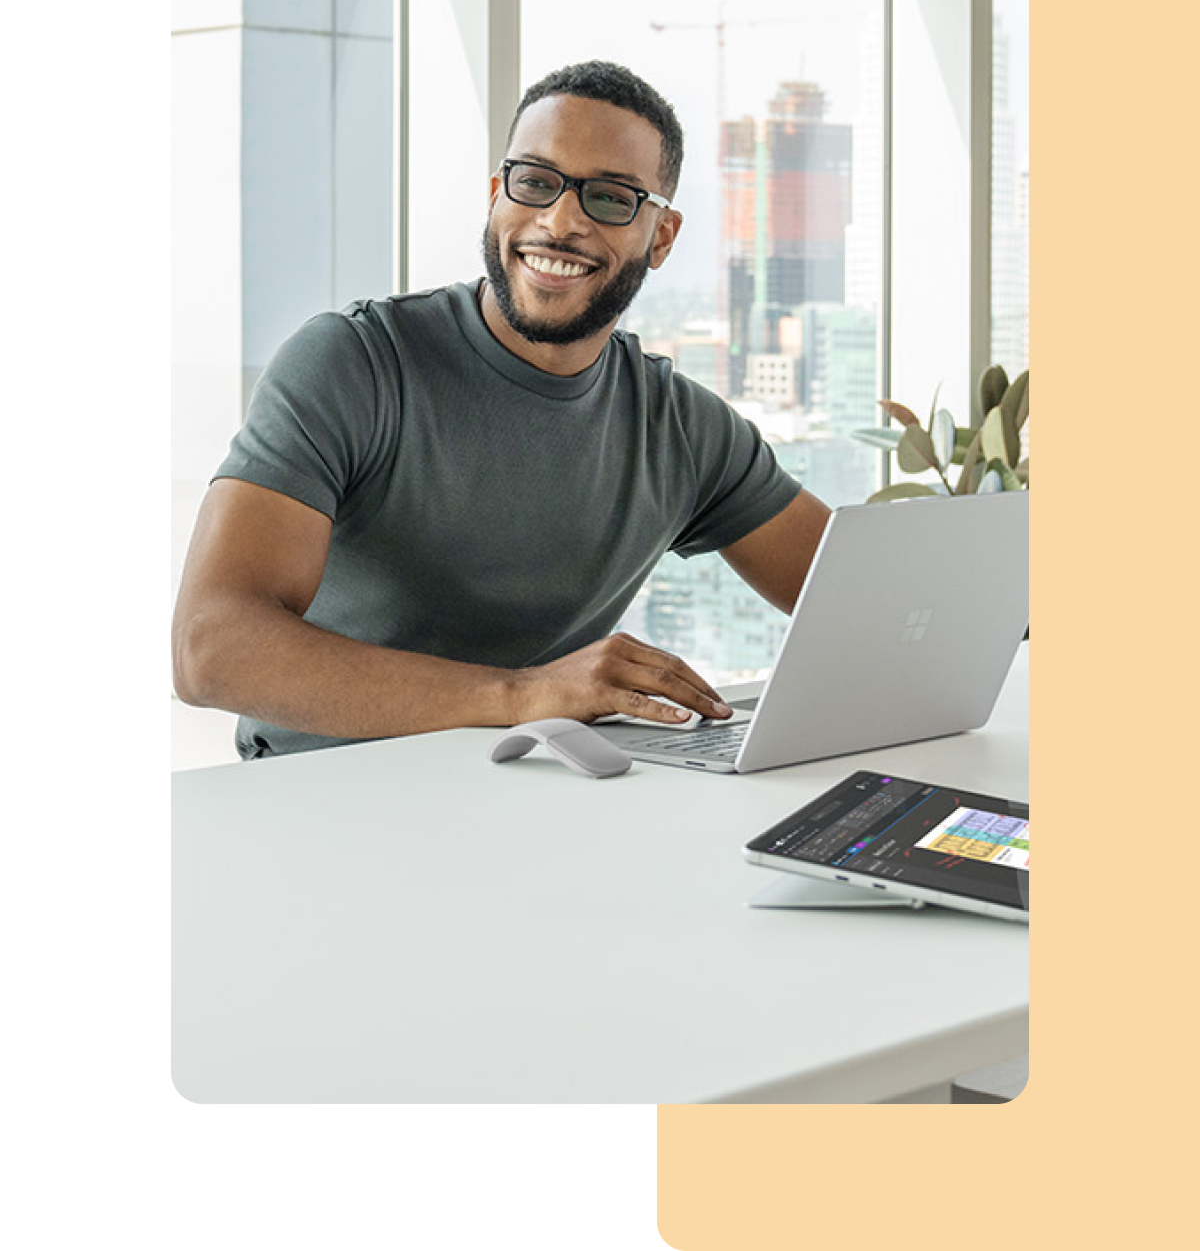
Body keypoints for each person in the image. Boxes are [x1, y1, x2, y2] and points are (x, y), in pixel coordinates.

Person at [172, 60, 832, 758]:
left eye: (609, 198)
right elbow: (208, 649)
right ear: (496, 195)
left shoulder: (681, 428)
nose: (559, 221)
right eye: (536, 182)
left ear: (661, 238)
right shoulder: (356, 364)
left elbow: (864, 607)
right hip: (319, 808)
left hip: (537, 803)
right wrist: (522, 695)